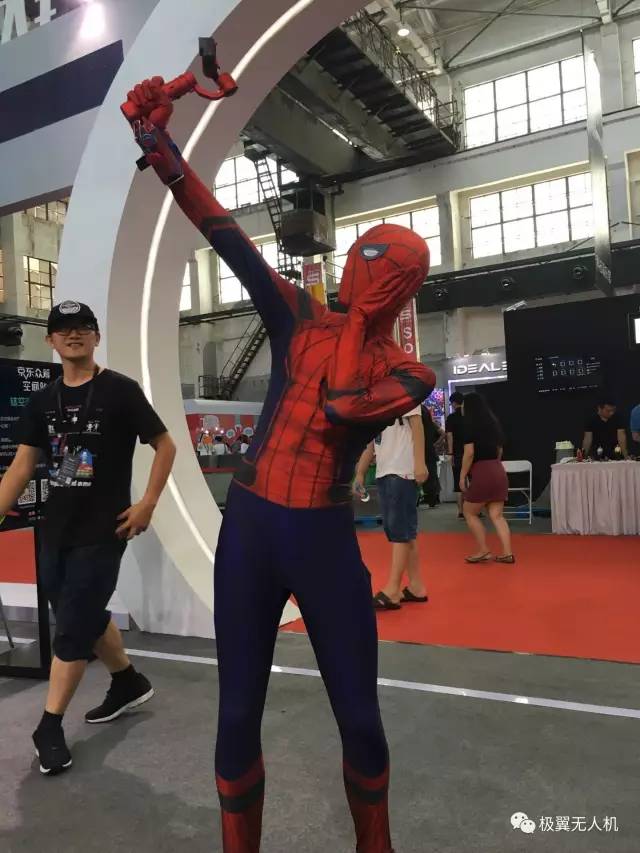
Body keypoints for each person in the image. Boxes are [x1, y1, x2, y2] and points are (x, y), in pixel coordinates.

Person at [124, 77, 435, 853]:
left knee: (359, 716)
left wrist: (357, 322)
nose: (361, 267)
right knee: (236, 712)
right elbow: (223, 231)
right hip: (253, 529)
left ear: (402, 285)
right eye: (362, 253)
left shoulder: (410, 373)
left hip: (321, 537)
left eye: (381, 264)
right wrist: (160, 146)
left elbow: (341, 403)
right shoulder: (297, 314)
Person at [0, 301, 176, 775]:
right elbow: (21, 467)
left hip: (105, 529)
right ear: (50, 340)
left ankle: (49, 725)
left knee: (73, 627)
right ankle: (128, 681)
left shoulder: (121, 390)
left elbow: (165, 444)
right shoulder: (43, 401)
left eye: (83, 327)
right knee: (83, 612)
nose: (74, 334)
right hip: (56, 529)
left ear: (96, 336)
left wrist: (148, 503)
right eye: (64, 329)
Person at [354, 408, 429, 610]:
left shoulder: (403, 394)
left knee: (399, 531)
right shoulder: (379, 403)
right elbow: (372, 442)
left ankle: (393, 589)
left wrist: (420, 463)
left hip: (402, 470)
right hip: (386, 471)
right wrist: (360, 473)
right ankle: (416, 586)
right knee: (404, 531)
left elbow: (417, 425)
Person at [459, 393, 514, 564]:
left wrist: (462, 476)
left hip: (482, 472)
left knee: (469, 512)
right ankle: (507, 553)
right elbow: (500, 451)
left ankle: (483, 550)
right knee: (497, 515)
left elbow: (469, 453)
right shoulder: (493, 425)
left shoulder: (469, 426)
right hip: (498, 469)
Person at [445, 391, 465, 518]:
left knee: (458, 480)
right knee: (472, 480)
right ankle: (475, 509)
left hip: (457, 453)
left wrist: (450, 452)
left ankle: (461, 511)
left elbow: (449, 436)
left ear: (453, 403)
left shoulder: (451, 418)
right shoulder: (469, 416)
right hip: (470, 451)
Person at [419, 405, 443, 508]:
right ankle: (433, 499)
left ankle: (421, 498)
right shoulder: (431, 424)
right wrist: (436, 444)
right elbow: (442, 433)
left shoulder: (417, 425)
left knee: (419, 476)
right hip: (430, 452)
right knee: (432, 476)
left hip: (420, 451)